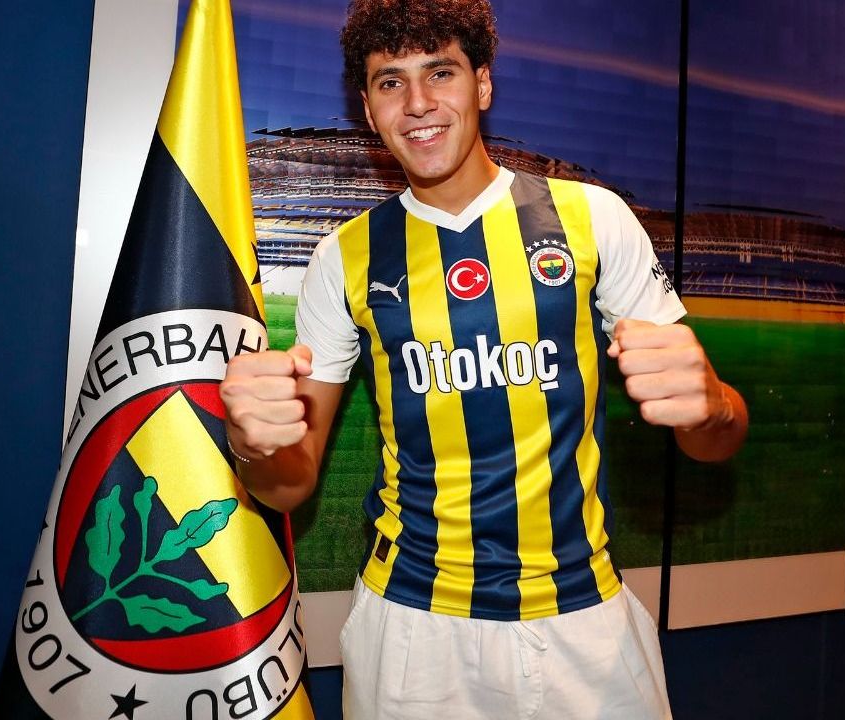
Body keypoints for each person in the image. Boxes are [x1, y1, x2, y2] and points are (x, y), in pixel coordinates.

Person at [220, 0, 748, 717]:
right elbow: (289, 483)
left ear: (484, 84)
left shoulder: (592, 218)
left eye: (441, 72)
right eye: (390, 82)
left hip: (582, 620)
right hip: (414, 631)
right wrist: (252, 446)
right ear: (369, 111)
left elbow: (716, 440)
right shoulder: (343, 258)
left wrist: (713, 407)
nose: (418, 103)